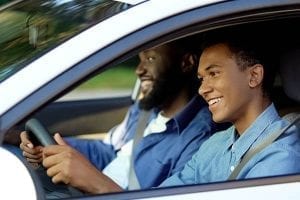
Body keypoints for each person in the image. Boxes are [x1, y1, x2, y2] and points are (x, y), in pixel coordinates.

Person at [20, 38, 223, 196]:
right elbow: (109, 151)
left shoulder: (200, 138)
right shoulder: (145, 109)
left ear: (186, 63)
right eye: (140, 59)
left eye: (151, 59)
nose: (139, 69)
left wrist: (95, 183)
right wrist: (49, 150)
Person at [160, 30, 300, 187]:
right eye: (201, 79)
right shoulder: (213, 144)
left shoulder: (281, 158)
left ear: (254, 76)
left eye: (213, 73)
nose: (202, 89)